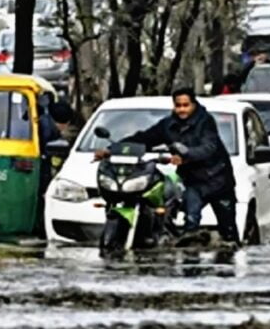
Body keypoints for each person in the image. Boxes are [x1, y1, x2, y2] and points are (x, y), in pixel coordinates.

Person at [96, 88, 239, 245]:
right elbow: (144, 138)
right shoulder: (168, 125)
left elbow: (208, 147)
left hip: (218, 180)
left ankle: (230, 254)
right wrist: (112, 150)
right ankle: (187, 253)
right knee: (190, 221)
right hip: (192, 181)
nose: (182, 109)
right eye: (178, 105)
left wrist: (186, 155)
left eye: (186, 105)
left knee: (228, 230)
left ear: (193, 104)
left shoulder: (206, 122)